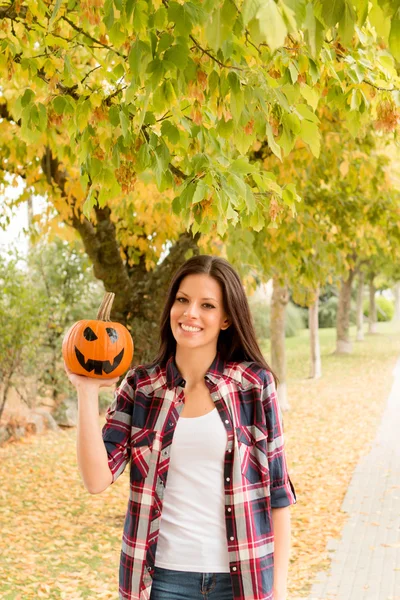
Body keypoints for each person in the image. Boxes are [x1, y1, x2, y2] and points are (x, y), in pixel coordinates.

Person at [65, 254, 296, 600]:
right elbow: (96, 479)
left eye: (207, 305)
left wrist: (279, 588)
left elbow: (277, 492)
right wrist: (86, 391)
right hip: (160, 581)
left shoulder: (254, 385)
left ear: (226, 319)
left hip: (241, 580)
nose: (190, 314)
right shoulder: (141, 387)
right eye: (183, 300)